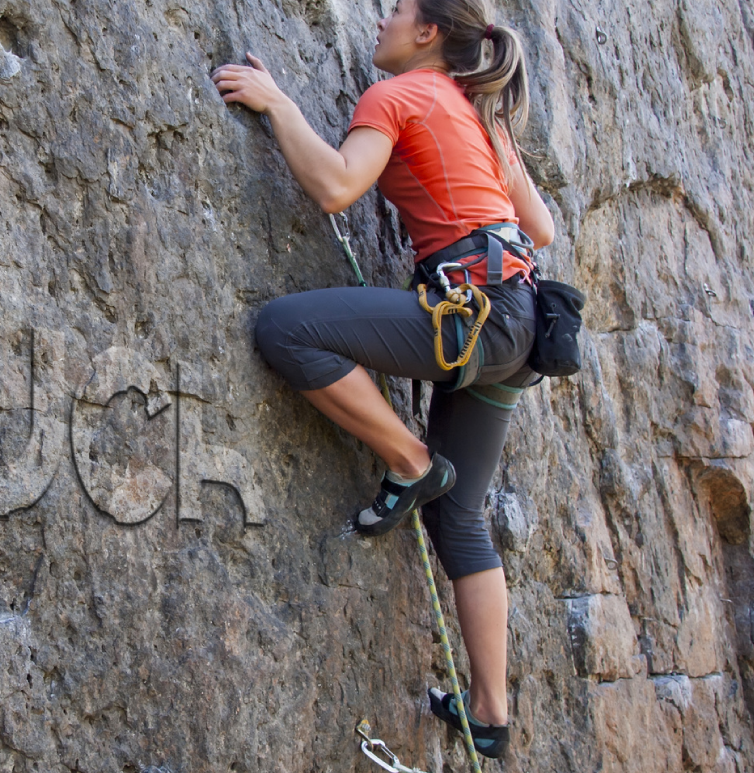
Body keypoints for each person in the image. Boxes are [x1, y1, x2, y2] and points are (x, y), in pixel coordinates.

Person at [211, 0, 555, 760]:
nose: (379, 21)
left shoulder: (398, 94)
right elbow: (542, 228)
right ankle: (490, 711)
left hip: (475, 317)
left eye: (395, 10)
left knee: (285, 328)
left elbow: (337, 186)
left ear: (427, 33)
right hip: (520, 323)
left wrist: (277, 105)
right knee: (459, 518)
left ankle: (409, 460)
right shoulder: (478, 110)